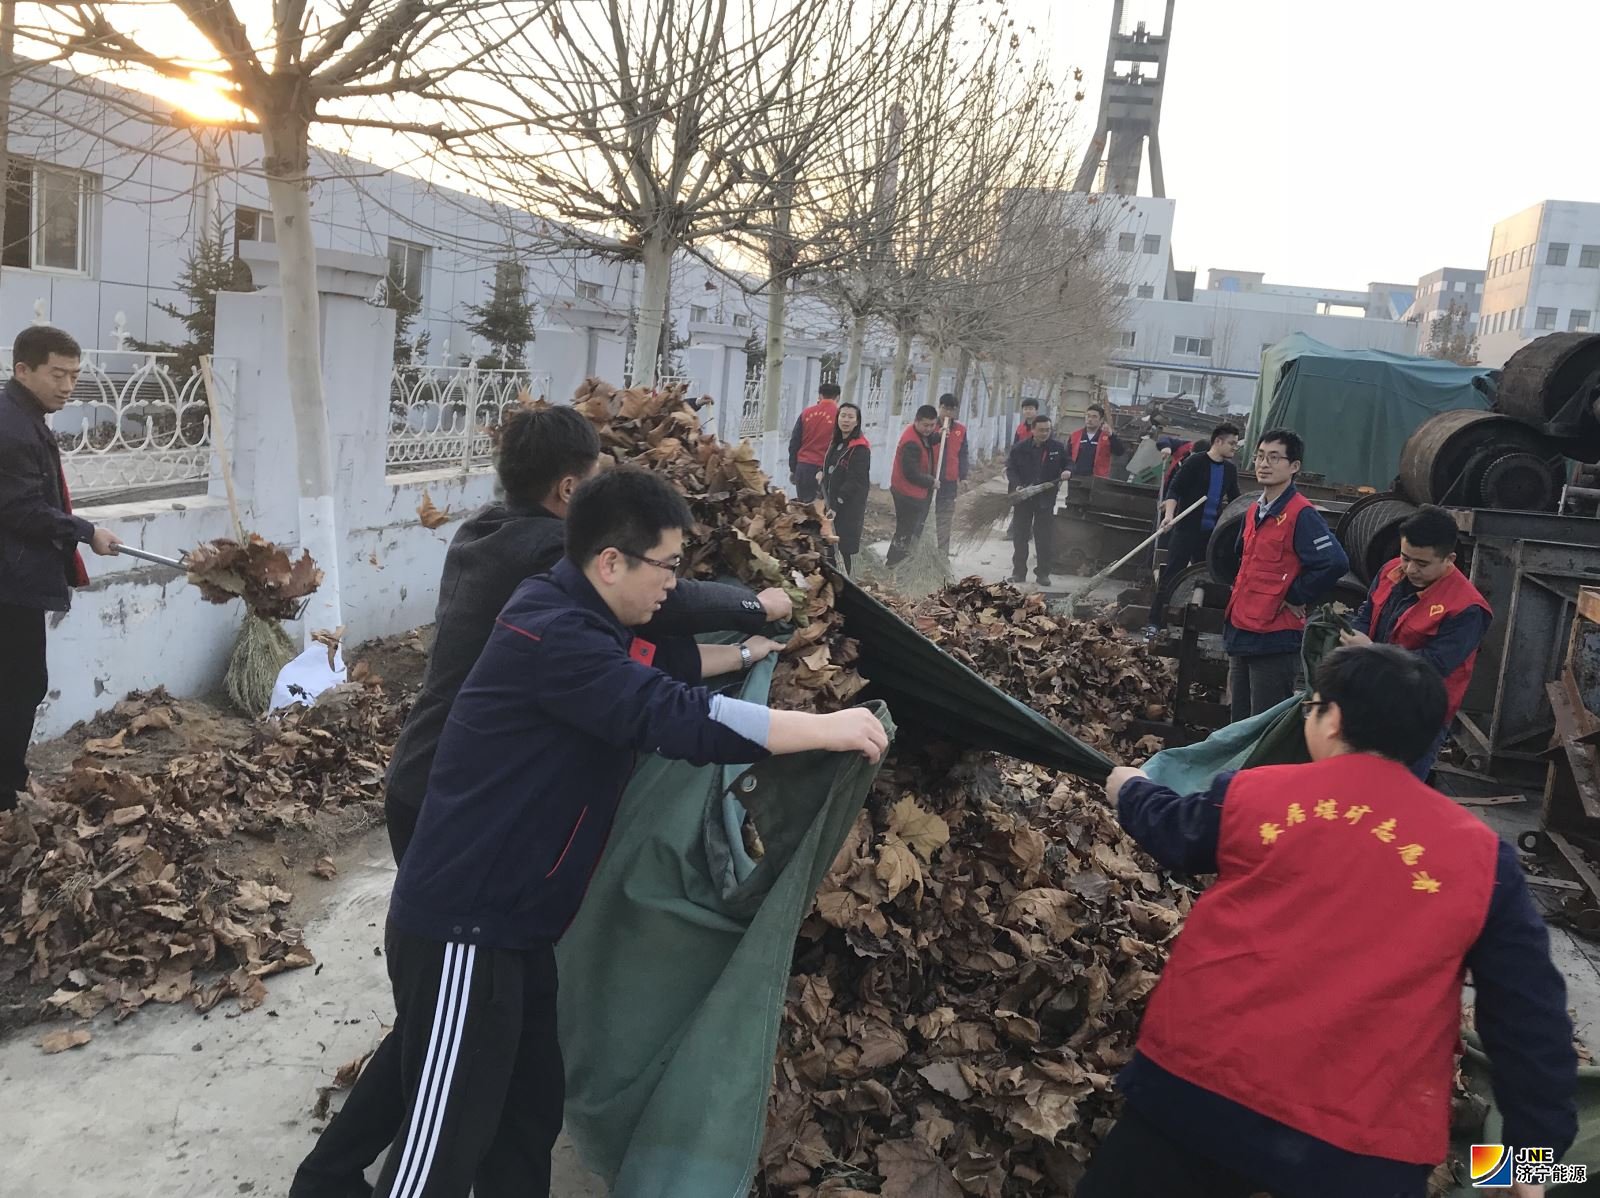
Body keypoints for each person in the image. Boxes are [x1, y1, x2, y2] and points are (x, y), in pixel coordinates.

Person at [291, 406, 790, 1198]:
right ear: (569, 495)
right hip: (478, 814)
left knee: (452, 1029)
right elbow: (661, 633)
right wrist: (755, 606)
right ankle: (368, 1174)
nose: (664, 578)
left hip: (437, 784)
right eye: (592, 485)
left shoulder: (490, 533)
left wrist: (735, 653)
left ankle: (326, 1178)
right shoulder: (548, 564)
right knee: (454, 1035)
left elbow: (640, 658)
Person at [353, 467, 888, 1198]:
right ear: (611, 562)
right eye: (666, 566)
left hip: (518, 926)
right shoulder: (555, 634)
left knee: (526, 1112)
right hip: (465, 929)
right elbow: (676, 715)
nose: (672, 584)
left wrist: (746, 653)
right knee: (439, 1152)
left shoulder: (578, 615)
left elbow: (658, 668)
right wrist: (825, 728)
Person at [1083, 644, 1576, 1198]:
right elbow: (1530, 1018)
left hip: (1195, 1099)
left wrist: (1129, 787)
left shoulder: (1257, 794)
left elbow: (1176, 831)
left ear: (1333, 719)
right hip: (1360, 1152)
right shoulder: (1484, 861)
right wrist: (1532, 1164)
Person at [0, 325, 121, 811]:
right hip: (10, 582)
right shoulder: (13, 427)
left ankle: (10, 782)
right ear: (22, 369)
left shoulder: (23, 418)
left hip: (13, 576)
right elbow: (21, 509)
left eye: (74, 375)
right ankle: (6, 793)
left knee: (19, 683)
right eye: (57, 374)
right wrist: (86, 531)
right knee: (21, 684)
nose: (68, 386)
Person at [1340, 504, 1492, 781]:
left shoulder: (1466, 608)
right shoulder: (1390, 572)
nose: (1410, 569)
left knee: (1397, 789)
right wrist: (1351, 639)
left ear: (1449, 559)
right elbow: (1367, 613)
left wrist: (1372, 651)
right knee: (1356, 784)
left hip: (1419, 715)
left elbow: (1434, 664)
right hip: (1373, 699)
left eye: (1422, 564)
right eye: (1405, 557)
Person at [1223, 428, 1347, 721]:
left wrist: (1294, 593)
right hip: (1242, 627)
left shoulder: (1301, 514)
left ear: (1294, 466)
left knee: (1263, 723)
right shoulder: (1254, 511)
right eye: (1260, 457)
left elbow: (1334, 562)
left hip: (1274, 636)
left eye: (1274, 458)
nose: (1264, 464)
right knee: (1237, 722)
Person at [1144, 423, 1241, 638]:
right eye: (1232, 443)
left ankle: (1199, 627)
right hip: (1186, 530)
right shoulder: (1196, 461)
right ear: (1218, 441)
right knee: (1172, 575)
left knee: (1207, 577)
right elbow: (1174, 489)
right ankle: (1154, 623)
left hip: (1210, 535)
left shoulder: (1230, 470)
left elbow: (1236, 500)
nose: (1235, 448)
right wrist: (1169, 515)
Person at [1005, 414, 1070, 586]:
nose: (1044, 433)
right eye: (1041, 430)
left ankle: (1043, 574)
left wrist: (1068, 470)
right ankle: (1019, 572)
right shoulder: (1020, 448)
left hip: (1045, 500)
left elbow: (1069, 463)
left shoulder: (1057, 447)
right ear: (1032, 430)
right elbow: (1011, 469)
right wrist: (1017, 486)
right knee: (1020, 536)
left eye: (1047, 430)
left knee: (1044, 537)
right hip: (1024, 498)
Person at [885, 406, 940, 568]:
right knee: (906, 528)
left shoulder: (920, 434)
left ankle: (900, 559)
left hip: (910, 491)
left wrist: (938, 436)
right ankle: (894, 562)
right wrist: (931, 482)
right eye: (925, 425)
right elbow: (911, 473)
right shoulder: (911, 443)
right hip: (906, 492)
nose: (928, 429)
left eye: (932, 425)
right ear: (916, 421)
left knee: (908, 528)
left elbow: (927, 440)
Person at [822, 402, 871, 574]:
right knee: (828, 546)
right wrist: (822, 473)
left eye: (851, 417)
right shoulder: (837, 442)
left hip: (848, 507)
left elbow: (855, 481)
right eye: (843, 416)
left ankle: (844, 580)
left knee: (842, 548)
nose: (846, 420)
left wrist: (837, 504)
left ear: (857, 422)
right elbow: (832, 466)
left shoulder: (860, 449)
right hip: (831, 503)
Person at [787, 382, 841, 504]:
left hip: (803, 468)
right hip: (826, 470)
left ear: (820, 396)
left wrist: (793, 468)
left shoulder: (806, 413)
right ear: (837, 397)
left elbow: (794, 443)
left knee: (804, 509)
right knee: (823, 510)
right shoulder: (840, 417)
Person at [933, 393, 969, 556]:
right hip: (930, 480)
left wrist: (963, 476)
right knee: (925, 517)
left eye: (952, 410)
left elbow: (963, 454)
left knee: (945, 517)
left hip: (949, 481)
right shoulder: (930, 426)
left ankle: (942, 554)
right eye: (945, 408)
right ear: (939, 408)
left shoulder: (960, 430)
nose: (948, 413)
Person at [1065, 402, 1126, 480]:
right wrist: (1068, 470)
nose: (1090, 419)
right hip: (1076, 478)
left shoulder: (1107, 437)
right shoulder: (1075, 436)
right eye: (1088, 416)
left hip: (1098, 479)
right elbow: (1067, 456)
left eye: (1094, 417)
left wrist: (1112, 436)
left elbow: (1120, 452)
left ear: (1101, 420)